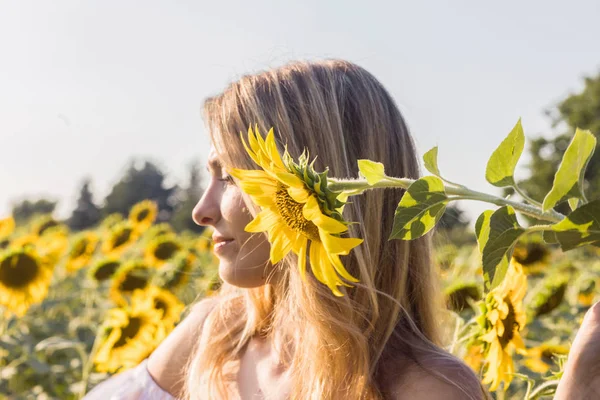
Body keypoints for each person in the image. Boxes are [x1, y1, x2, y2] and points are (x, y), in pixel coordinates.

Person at [84, 59, 597, 400]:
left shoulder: (423, 388)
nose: (201, 210)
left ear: (316, 185)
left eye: (231, 176)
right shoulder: (218, 334)